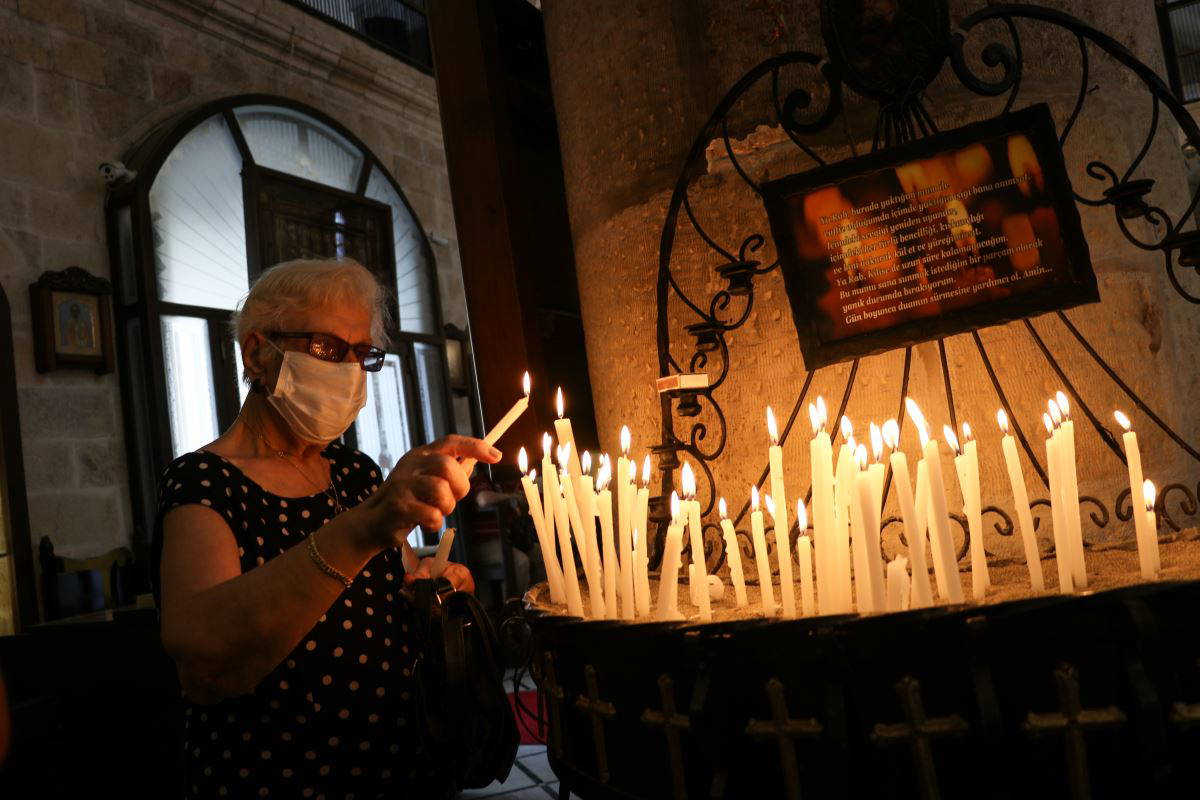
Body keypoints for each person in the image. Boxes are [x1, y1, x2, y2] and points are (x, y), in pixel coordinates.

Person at [153, 258, 501, 799]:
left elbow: (397, 582)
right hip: (284, 778)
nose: (349, 372)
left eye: (362, 354)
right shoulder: (204, 481)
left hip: (404, 768)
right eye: (328, 349)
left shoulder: (355, 472)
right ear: (256, 353)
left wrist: (430, 585)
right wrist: (362, 529)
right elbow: (204, 661)